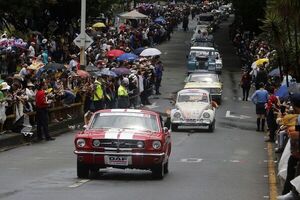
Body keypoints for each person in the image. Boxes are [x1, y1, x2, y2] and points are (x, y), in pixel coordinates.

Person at [277, 93, 300, 198]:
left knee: (292, 173)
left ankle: (291, 193)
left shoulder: (296, 117)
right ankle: (292, 193)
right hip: (295, 153)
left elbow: (296, 133)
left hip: (296, 154)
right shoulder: (297, 117)